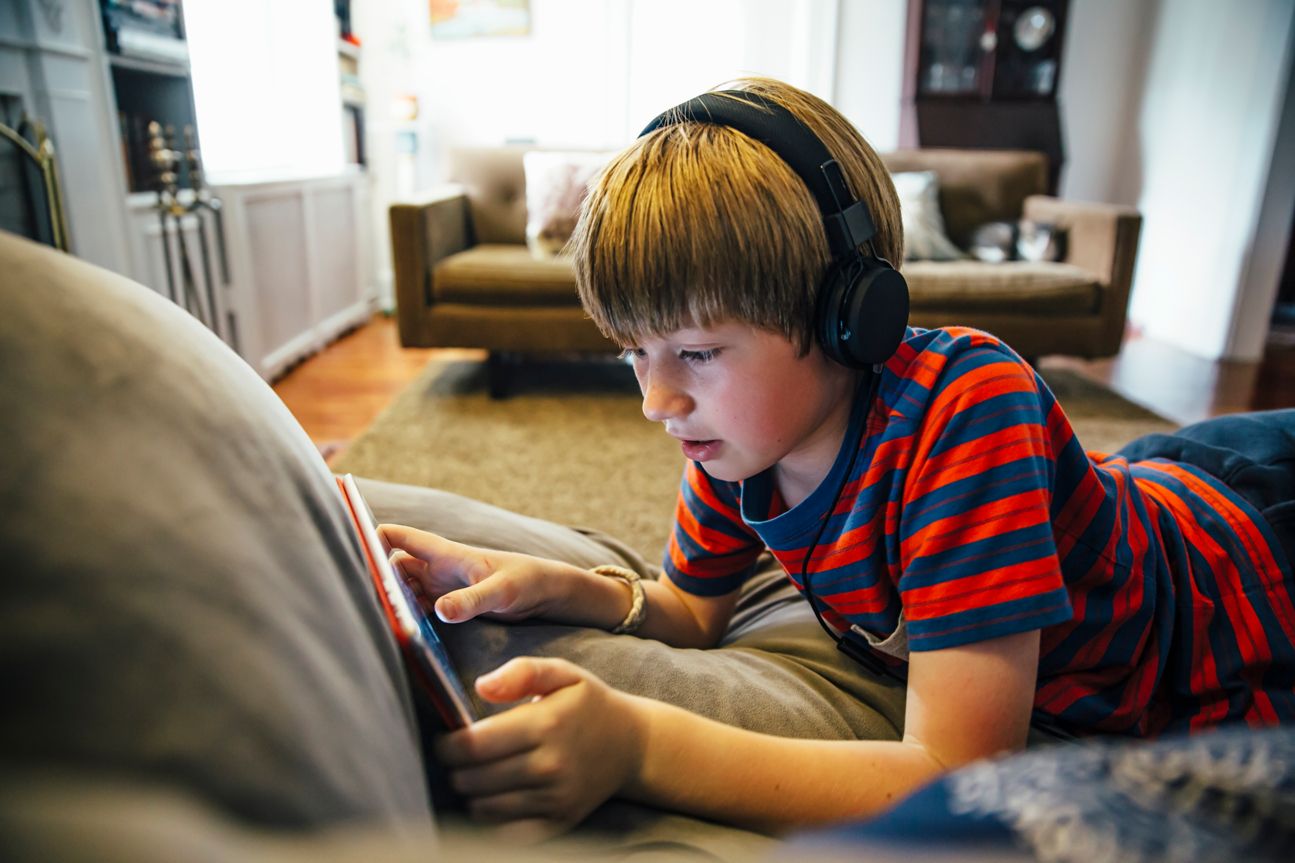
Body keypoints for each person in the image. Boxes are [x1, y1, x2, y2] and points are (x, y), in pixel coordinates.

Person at [379, 76, 1295, 838]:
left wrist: (641, 745)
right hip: (1124, 487)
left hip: (1243, 541)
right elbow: (693, 611)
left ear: (851, 316)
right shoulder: (732, 439)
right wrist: (544, 581)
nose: (655, 401)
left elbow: (958, 769)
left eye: (695, 352)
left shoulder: (970, 409)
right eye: (633, 353)